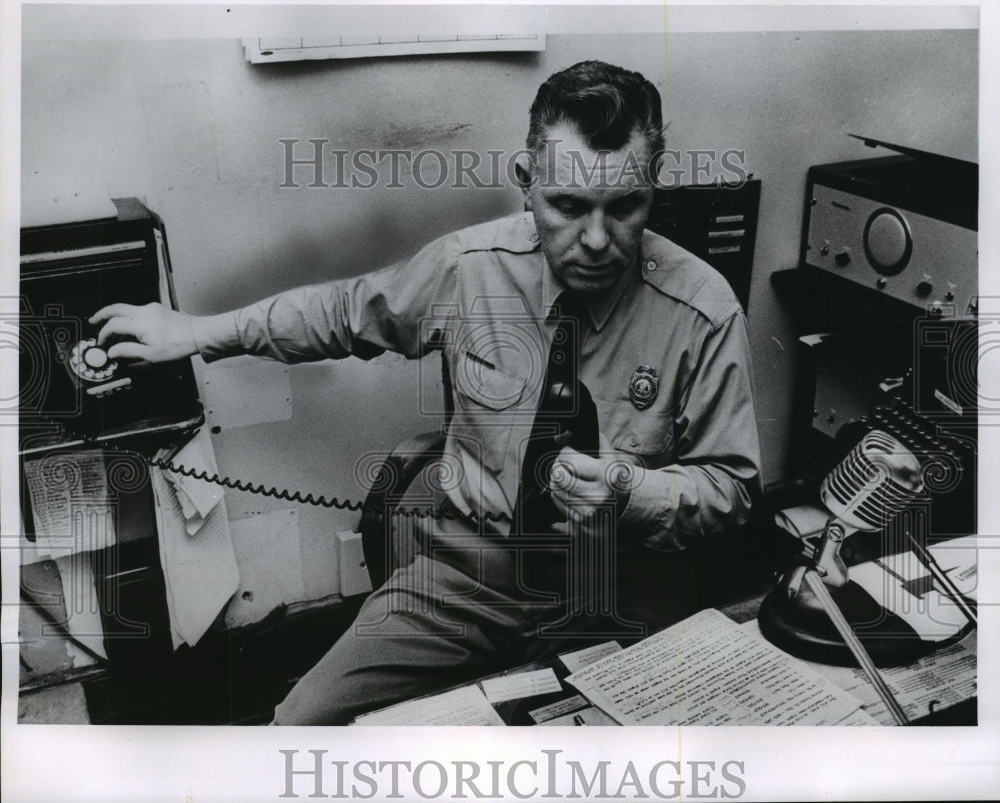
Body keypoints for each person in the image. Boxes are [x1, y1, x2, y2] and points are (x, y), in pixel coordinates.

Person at [91, 60, 761, 724]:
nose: (595, 239)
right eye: (568, 206)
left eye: (624, 207)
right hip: (471, 575)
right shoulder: (468, 269)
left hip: (625, 581)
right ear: (527, 185)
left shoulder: (703, 309)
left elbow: (732, 489)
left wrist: (629, 491)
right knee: (299, 727)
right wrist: (199, 331)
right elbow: (342, 313)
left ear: (654, 186)